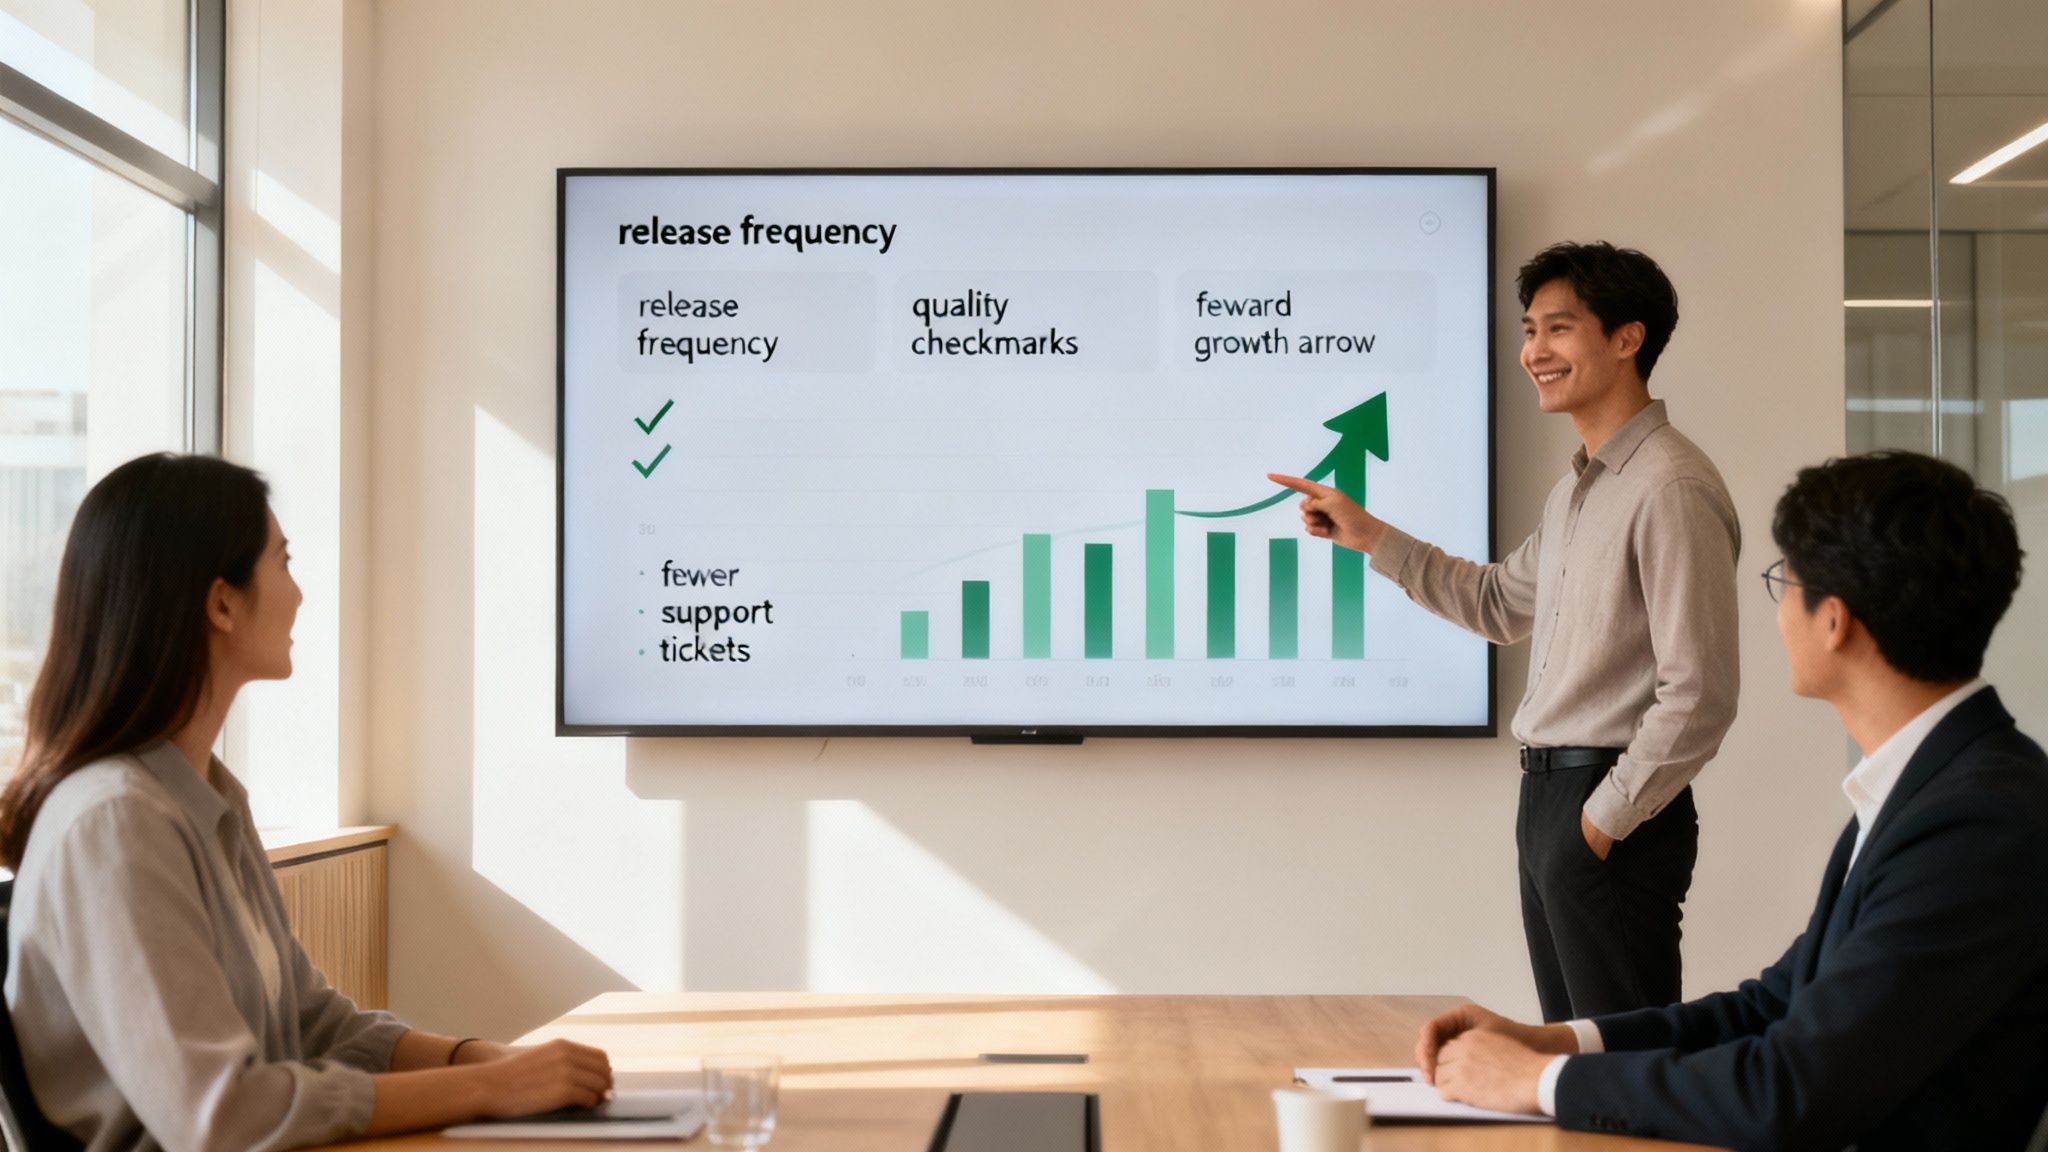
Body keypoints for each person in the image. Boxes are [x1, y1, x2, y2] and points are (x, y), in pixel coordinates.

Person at [1414, 450, 2047, 1151]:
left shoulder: (1976, 822)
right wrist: (1554, 1043)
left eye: (1786, 582)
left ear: (1833, 621)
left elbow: (1790, 1089)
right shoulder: (1930, 787)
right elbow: (1770, 1008)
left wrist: (1537, 1085)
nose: (1779, 615)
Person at [0, 454, 615, 1151]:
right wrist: (489, 1091)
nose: (298, 593)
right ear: (222, 602)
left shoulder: (204, 799)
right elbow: (221, 1115)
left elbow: (313, 1021)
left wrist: (481, 1058)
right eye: (283, 562)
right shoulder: (114, 823)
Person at [1272, 241, 1740, 1020]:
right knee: (1576, 1058)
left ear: (1628, 338)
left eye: (1558, 329)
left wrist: (1601, 822)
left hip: (1607, 804)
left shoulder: (1671, 486)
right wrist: (1368, 534)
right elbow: (1495, 604)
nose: (1533, 352)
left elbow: (1700, 694)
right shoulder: (1579, 492)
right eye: (1529, 331)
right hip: (1551, 800)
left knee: (1625, 1070)